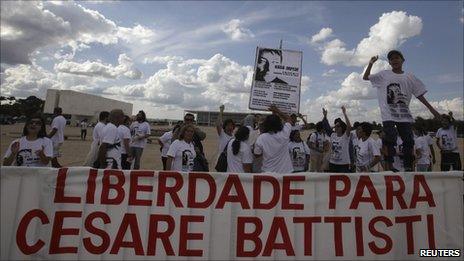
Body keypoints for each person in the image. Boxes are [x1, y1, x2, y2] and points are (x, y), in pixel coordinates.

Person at [363, 50, 441, 171]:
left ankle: (408, 165)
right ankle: (389, 166)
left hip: (404, 115)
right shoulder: (384, 74)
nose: (394, 60)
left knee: (408, 140)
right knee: (390, 138)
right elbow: (365, 77)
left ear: (402, 60)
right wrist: (371, 63)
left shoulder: (410, 77)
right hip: (388, 114)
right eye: (392, 59)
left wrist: (432, 110)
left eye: (397, 58)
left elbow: (420, 95)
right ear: (389, 62)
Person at [253, 105, 293, 173]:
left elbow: (257, 154)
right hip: (286, 172)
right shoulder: (284, 133)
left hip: (269, 173)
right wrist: (277, 111)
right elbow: (289, 119)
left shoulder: (261, 138)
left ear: (266, 124)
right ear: (280, 123)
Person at [328, 106, 352, 173]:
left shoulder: (345, 136)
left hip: (343, 165)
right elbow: (327, 129)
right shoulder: (333, 135)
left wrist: (344, 113)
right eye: (335, 126)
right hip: (332, 163)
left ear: (342, 128)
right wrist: (335, 125)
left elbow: (349, 126)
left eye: (338, 126)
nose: (336, 127)